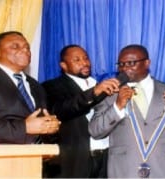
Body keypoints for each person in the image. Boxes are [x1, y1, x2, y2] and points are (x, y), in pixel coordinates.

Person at [88, 44, 165, 178]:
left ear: (147, 63)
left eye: (131, 63)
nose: (125, 68)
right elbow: (95, 131)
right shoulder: (110, 93)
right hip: (124, 172)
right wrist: (117, 107)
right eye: (121, 64)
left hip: (164, 171)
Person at [42, 44, 120, 178]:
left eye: (86, 58)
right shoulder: (51, 86)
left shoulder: (99, 84)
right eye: (77, 60)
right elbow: (61, 110)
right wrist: (93, 93)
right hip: (74, 161)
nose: (84, 63)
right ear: (64, 65)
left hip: (106, 159)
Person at [0, 31, 60, 144]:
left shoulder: (35, 85)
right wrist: (24, 128)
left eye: (27, 47)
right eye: (15, 46)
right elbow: (27, 126)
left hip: (34, 158)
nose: (25, 50)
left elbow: (40, 127)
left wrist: (50, 128)